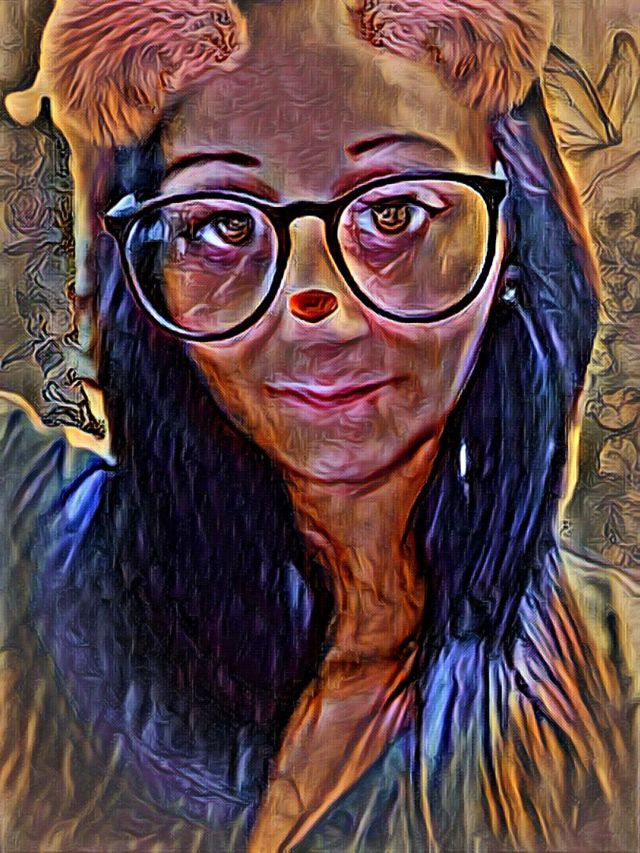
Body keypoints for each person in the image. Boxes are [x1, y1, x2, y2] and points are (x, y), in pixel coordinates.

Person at [1, 0, 634, 850]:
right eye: (222, 224)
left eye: (395, 213)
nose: (317, 312)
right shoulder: (32, 548)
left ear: (512, 237)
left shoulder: (616, 683)